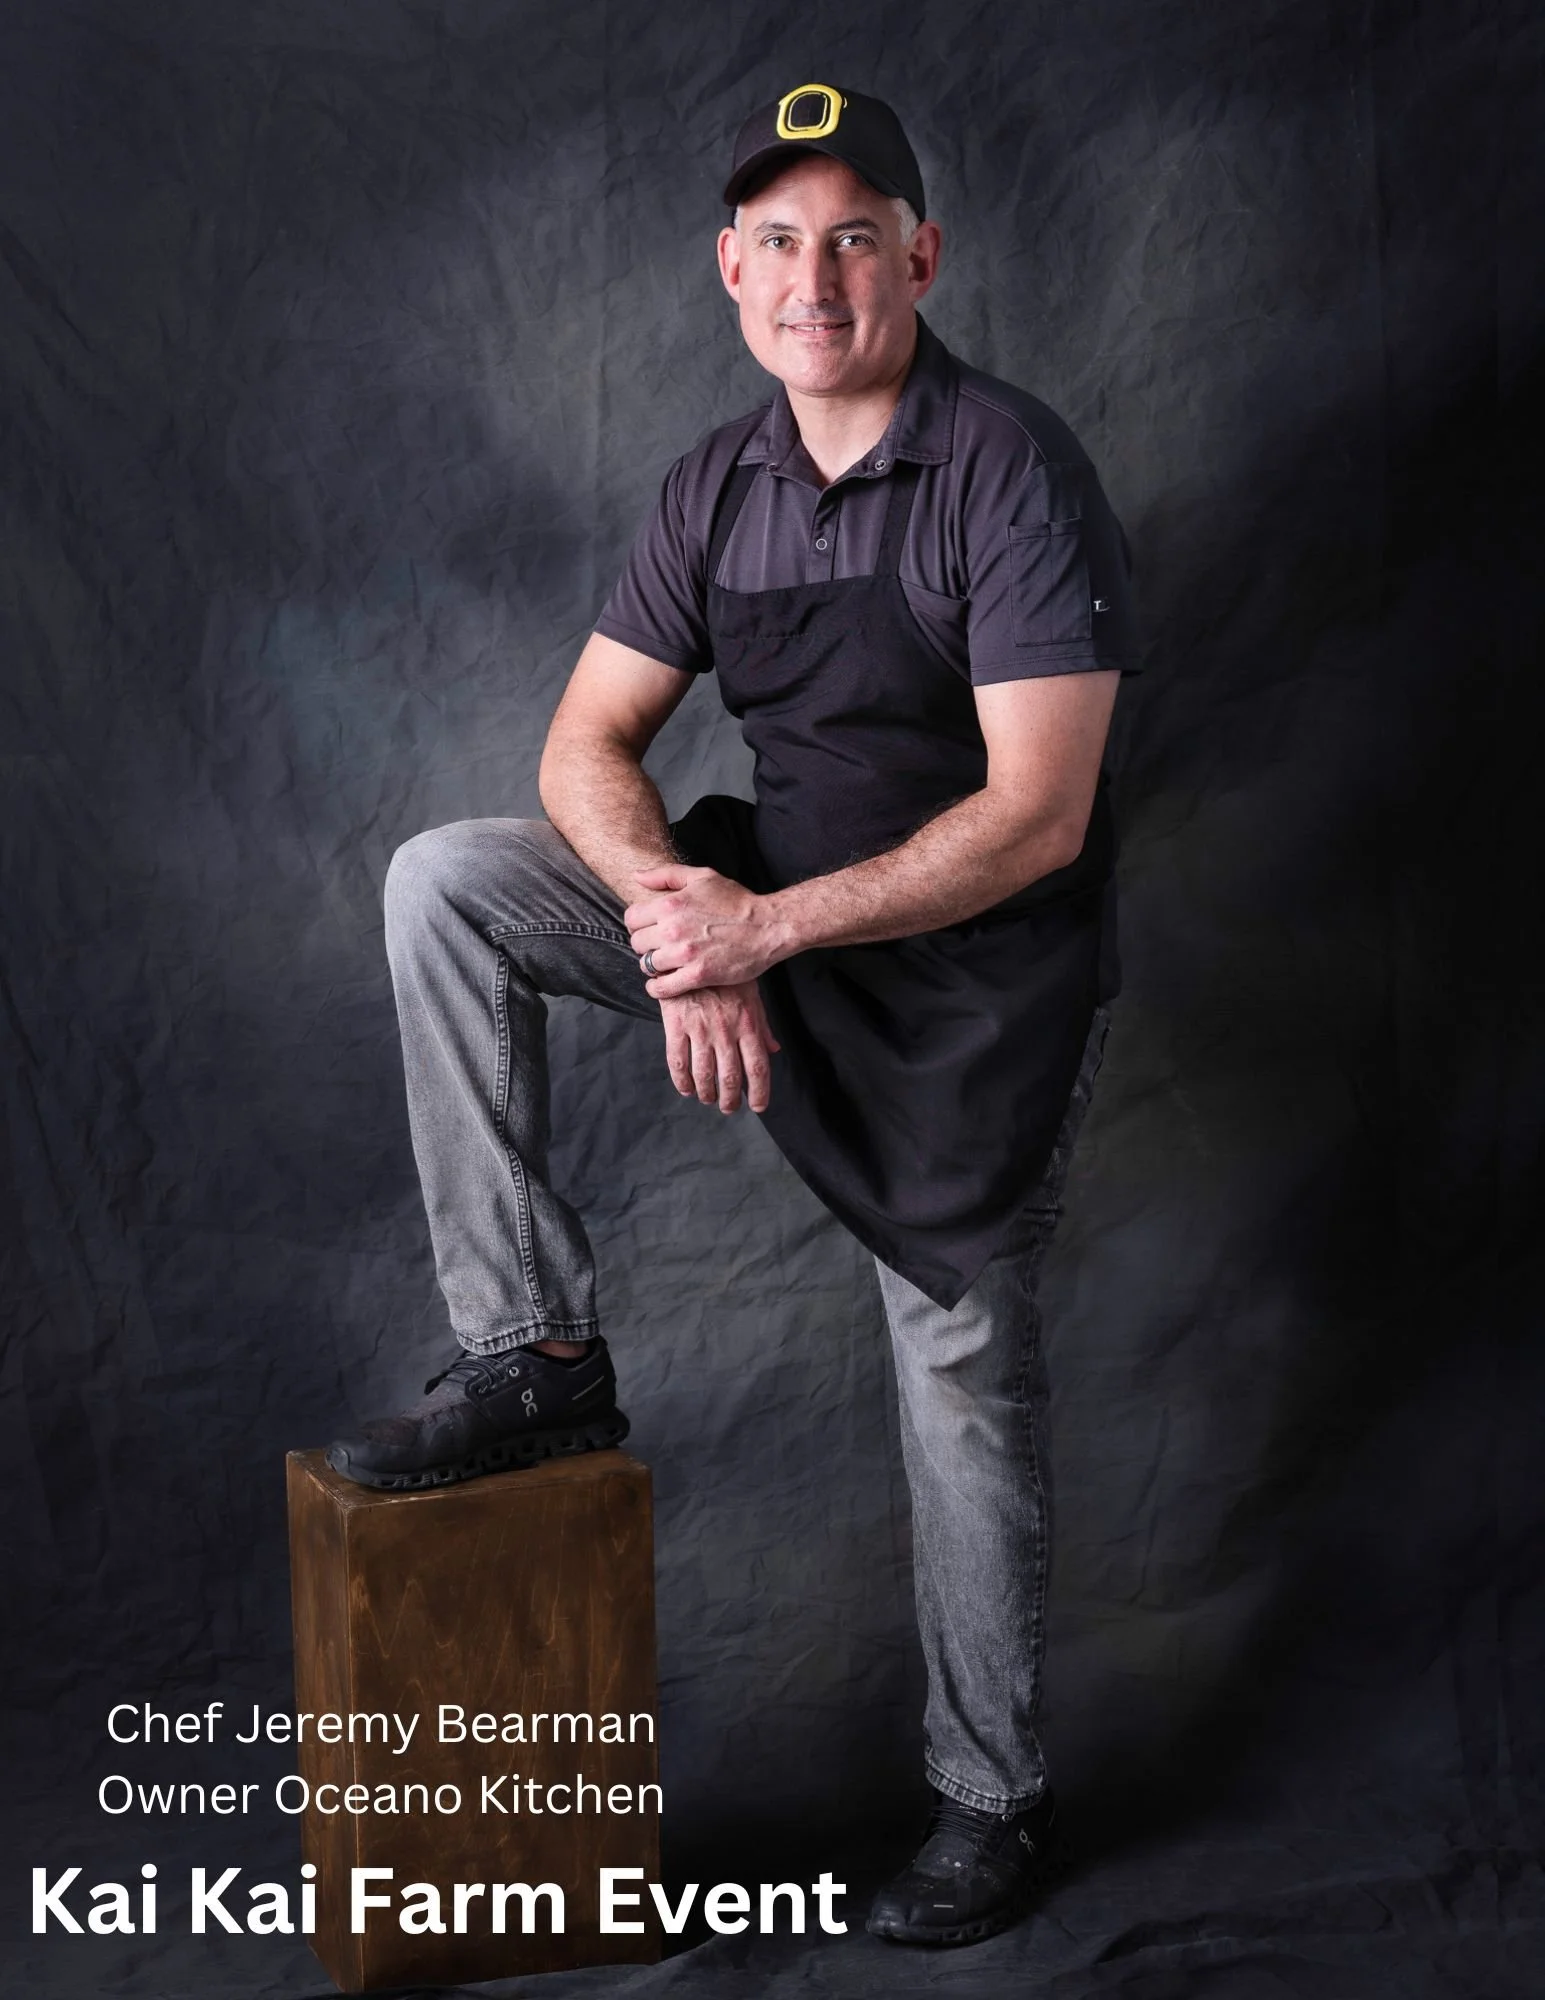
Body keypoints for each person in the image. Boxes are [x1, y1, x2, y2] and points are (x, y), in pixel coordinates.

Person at [327, 83, 1140, 1948]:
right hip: (756, 925)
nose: (814, 277)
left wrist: (765, 929)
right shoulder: (716, 483)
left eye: (855, 235)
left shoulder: (1012, 468)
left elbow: (1040, 815)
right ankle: (532, 1348)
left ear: (921, 256)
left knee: (960, 1373)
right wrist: (681, 923)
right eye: (776, 241)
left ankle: (988, 1800)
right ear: (727, 271)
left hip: (972, 986)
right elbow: (585, 742)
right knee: (447, 876)